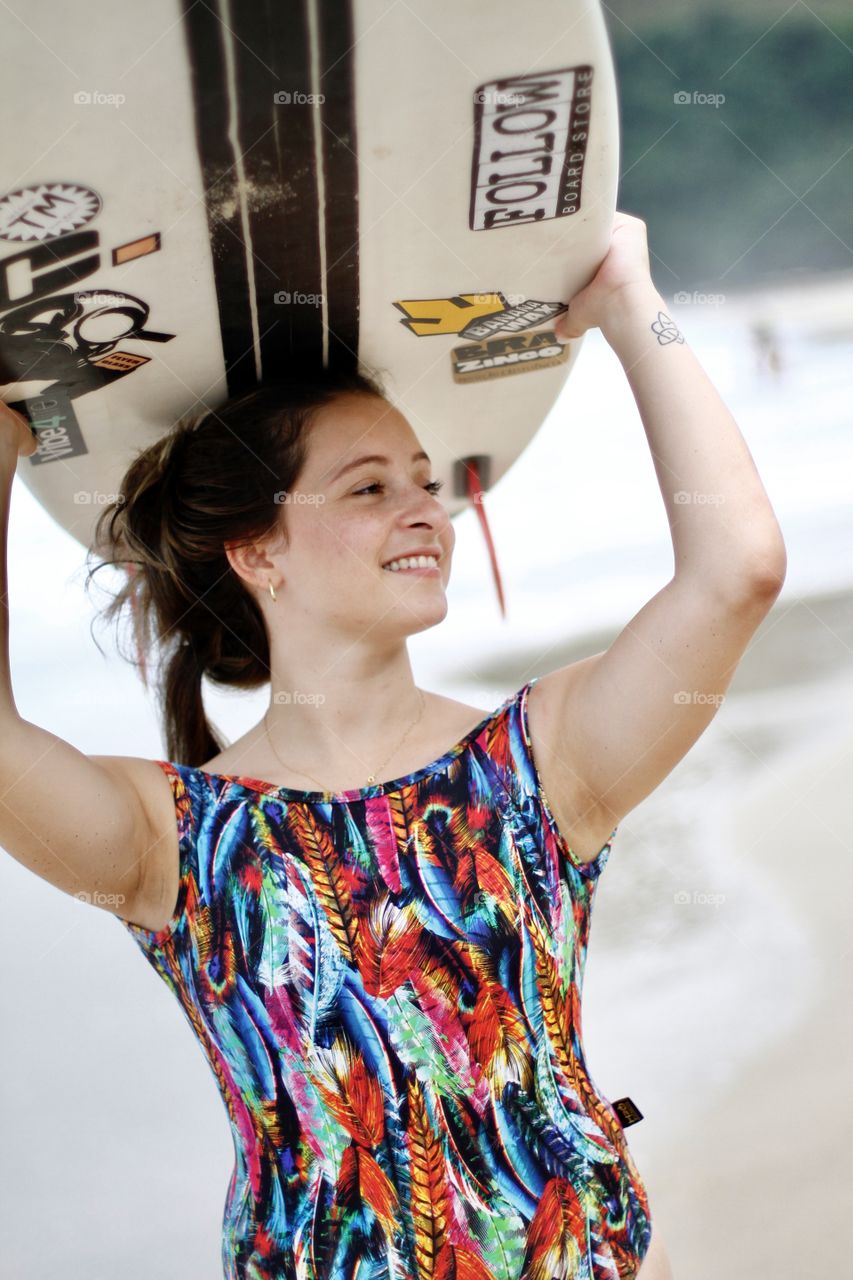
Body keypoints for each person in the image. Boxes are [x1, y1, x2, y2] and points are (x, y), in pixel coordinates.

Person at [0, 212, 786, 1279]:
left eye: (426, 479)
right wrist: (4, 435)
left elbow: (736, 567)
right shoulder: (171, 840)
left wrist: (624, 304)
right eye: (370, 487)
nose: (428, 510)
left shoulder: (538, 766)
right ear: (257, 549)